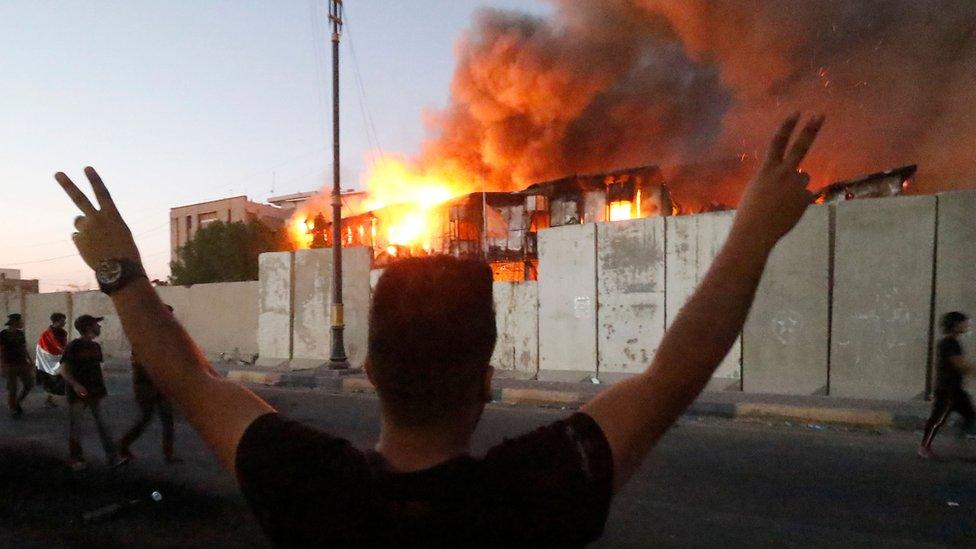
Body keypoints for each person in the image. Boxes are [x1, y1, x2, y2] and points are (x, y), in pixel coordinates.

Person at [54, 113, 823, 546]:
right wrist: (751, 234)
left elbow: (192, 380)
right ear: (486, 377)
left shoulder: (307, 485)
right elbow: (671, 377)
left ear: (369, 365)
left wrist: (122, 271)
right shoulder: (532, 497)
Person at [59, 314, 125, 470]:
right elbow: (63, 369)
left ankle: (113, 458)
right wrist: (76, 385)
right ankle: (75, 459)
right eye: (97, 324)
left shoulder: (96, 347)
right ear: (89, 327)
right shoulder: (74, 346)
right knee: (77, 426)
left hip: (96, 392)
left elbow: (97, 368)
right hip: (78, 393)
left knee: (104, 425)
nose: (99, 327)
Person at [119, 305, 180, 463]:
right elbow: (141, 364)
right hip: (147, 386)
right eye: (168, 315)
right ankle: (123, 445)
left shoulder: (165, 337)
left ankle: (168, 454)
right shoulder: (143, 336)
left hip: (161, 385)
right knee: (145, 419)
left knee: (167, 421)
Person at [918, 311, 975, 459]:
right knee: (938, 420)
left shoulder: (954, 342)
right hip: (947, 390)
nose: (966, 325)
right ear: (955, 325)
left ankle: (963, 447)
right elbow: (958, 364)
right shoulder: (948, 343)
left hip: (956, 390)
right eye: (962, 322)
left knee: (970, 416)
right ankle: (924, 447)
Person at [1, 313, 34, 418]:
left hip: (22, 362)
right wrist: (2, 365)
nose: (22, 323)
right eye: (20, 321)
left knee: (29, 384)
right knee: (13, 388)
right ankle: (13, 408)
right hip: (10, 363)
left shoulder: (20, 333)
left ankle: (17, 402)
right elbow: (1, 350)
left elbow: (23, 348)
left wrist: (29, 360)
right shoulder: (3, 334)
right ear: (15, 322)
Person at [35, 312, 69, 407]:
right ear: (57, 321)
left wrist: (64, 352)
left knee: (60, 379)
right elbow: (42, 348)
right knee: (52, 381)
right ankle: (49, 400)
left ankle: (49, 400)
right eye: (63, 321)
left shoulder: (63, 332)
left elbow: (63, 345)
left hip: (59, 359)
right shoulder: (46, 334)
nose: (64, 323)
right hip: (47, 361)